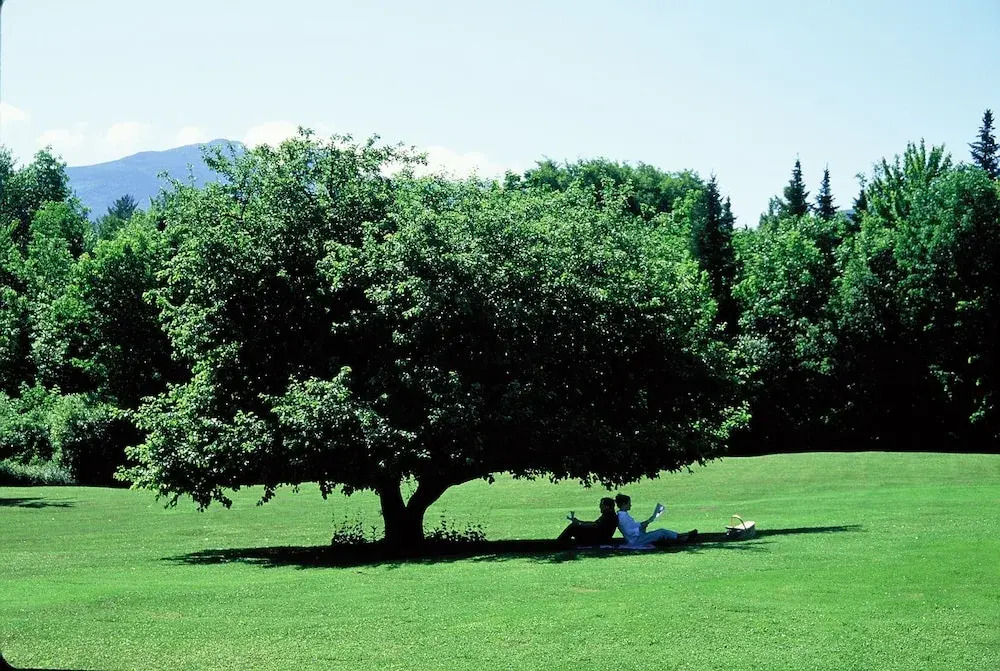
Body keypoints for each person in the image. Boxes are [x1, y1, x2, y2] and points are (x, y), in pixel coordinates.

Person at [615, 493, 697, 546]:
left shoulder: (624, 515)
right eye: (629, 503)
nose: (630, 505)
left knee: (661, 532)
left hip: (638, 537)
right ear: (624, 504)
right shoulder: (622, 517)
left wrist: (646, 522)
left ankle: (682, 536)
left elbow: (634, 526)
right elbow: (630, 532)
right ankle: (682, 536)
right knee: (661, 532)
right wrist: (643, 525)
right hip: (636, 540)